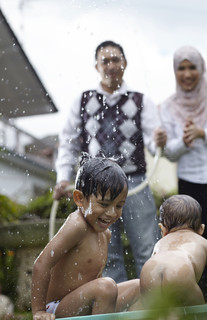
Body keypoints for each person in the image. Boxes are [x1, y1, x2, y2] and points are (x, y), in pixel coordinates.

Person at [54, 40, 166, 283]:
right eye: (106, 60)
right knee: (104, 253)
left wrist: (159, 141)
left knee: (148, 248)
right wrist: (62, 177)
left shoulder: (140, 100)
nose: (111, 65)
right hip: (95, 189)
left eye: (116, 59)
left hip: (134, 182)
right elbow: (69, 142)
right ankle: (116, 309)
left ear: (125, 63)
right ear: (97, 66)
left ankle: (155, 308)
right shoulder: (82, 100)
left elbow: (153, 141)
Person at [154, 45, 207, 301]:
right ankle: (202, 301)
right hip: (191, 184)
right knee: (193, 242)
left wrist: (204, 133)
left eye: (192, 67)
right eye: (182, 68)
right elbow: (169, 153)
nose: (187, 73)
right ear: (175, 72)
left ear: (201, 69)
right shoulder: (168, 106)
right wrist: (184, 140)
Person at [32, 154, 140, 320]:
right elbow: (41, 264)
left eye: (119, 206)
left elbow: (93, 282)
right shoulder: (77, 225)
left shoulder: (105, 234)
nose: (112, 213)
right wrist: (39, 311)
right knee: (105, 287)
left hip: (83, 305)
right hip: (56, 310)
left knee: (140, 286)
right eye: (104, 204)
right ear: (79, 199)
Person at [140, 195, 207, 307]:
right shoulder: (202, 241)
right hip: (180, 269)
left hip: (150, 269)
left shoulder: (159, 244)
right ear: (201, 229)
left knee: (156, 316)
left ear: (163, 229)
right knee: (197, 318)